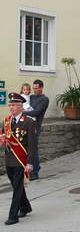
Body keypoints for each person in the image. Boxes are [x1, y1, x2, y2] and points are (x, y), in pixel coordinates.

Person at [0, 93, 37, 225]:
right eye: (10, 105)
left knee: (16, 187)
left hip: (21, 159)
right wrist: (2, 140)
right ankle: (25, 206)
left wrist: (30, 163)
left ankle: (13, 215)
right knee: (16, 185)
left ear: (21, 107)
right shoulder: (6, 121)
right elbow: (2, 137)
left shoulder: (29, 122)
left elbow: (32, 145)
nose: (11, 107)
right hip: (9, 158)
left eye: (14, 105)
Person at [23, 80, 49, 181]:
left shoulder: (44, 99)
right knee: (27, 148)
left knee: (34, 149)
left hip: (35, 126)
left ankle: (35, 172)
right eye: (33, 88)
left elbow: (37, 112)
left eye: (36, 88)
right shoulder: (31, 97)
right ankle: (29, 169)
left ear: (41, 87)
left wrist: (23, 112)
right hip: (26, 125)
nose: (34, 90)